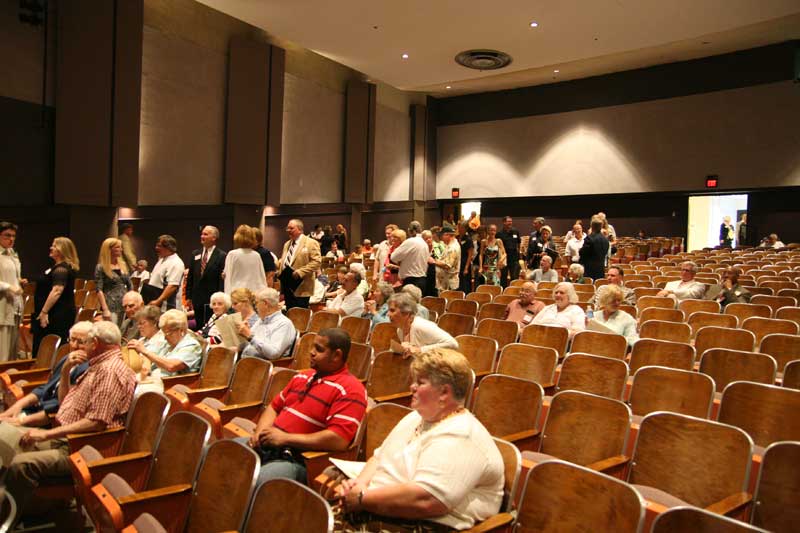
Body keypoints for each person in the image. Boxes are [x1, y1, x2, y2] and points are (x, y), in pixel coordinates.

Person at [334, 348, 503, 531]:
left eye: (420, 382)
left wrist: (361, 498)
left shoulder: (462, 435)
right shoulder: (417, 417)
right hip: (384, 502)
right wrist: (359, 485)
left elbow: (426, 500)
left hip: (424, 522)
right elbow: (379, 457)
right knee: (329, 485)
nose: (411, 387)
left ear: (444, 393)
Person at [3, 321, 135, 515]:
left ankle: (7, 518)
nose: (77, 346)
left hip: (81, 448)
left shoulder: (109, 371)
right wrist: (65, 371)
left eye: (85, 341)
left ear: (95, 342)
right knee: (5, 438)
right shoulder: (96, 364)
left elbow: (96, 423)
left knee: (20, 464)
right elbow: (64, 402)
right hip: (66, 438)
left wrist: (46, 435)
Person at [243, 328, 367, 484]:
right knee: (223, 453)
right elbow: (274, 407)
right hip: (269, 445)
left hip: (299, 459)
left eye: (319, 349)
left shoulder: (351, 389)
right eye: (313, 346)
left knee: (262, 481)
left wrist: (285, 438)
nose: (311, 352)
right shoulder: (302, 376)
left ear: (337, 355)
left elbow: (338, 439)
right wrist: (259, 434)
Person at [0, 321, 91, 428]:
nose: (75, 346)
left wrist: (21, 420)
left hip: (50, 422)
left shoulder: (88, 369)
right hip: (36, 410)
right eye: (72, 340)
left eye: (80, 342)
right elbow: (45, 388)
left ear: (92, 343)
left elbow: (62, 405)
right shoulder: (67, 358)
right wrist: (18, 405)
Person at [31, 237, 79, 355]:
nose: (51, 248)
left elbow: (57, 290)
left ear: (62, 250)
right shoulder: (57, 267)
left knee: (50, 347)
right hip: (54, 312)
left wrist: (44, 312)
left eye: (54, 246)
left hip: (55, 314)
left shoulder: (61, 269)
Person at [130, 309, 201, 377]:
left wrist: (144, 351)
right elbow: (151, 357)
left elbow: (171, 366)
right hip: (154, 380)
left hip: (173, 385)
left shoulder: (191, 345)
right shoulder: (168, 344)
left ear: (181, 331)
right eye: (163, 333)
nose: (165, 337)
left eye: (167, 333)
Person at [388, 293, 457, 357]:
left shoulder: (422, 326)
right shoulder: (400, 330)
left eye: (392, 310)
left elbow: (452, 344)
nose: (388, 314)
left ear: (406, 313)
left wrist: (420, 350)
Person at [239, 288, 296, 360]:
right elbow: (248, 344)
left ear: (265, 304)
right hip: (246, 363)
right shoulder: (261, 320)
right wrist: (242, 334)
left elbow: (274, 353)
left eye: (256, 303)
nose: (255, 307)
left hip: (264, 367)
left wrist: (250, 336)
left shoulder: (284, 324)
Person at [186, 225, 226, 328]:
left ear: (214, 238)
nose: (202, 236)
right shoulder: (195, 254)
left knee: (211, 327)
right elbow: (190, 277)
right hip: (197, 299)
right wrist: (189, 297)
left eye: (205, 234)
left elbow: (221, 281)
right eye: (202, 234)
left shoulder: (222, 255)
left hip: (212, 300)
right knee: (199, 326)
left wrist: (220, 298)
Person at [278, 219, 322, 310]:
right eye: (287, 228)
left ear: (300, 230)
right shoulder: (287, 244)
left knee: (299, 316)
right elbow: (286, 260)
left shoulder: (311, 243)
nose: (288, 230)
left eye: (291, 228)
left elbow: (316, 262)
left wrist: (300, 272)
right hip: (287, 285)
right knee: (289, 312)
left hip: (302, 286)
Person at [127, 305, 168, 394]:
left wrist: (140, 350)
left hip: (152, 379)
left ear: (154, 323)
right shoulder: (142, 340)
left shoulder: (162, 340)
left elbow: (148, 367)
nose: (139, 327)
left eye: (142, 323)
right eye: (138, 324)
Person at [94, 237, 131, 325]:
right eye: (118, 247)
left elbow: (130, 284)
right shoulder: (101, 267)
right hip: (110, 305)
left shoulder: (123, 265)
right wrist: (105, 309)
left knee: (122, 331)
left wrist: (130, 301)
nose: (121, 250)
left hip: (124, 304)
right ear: (109, 249)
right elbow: (99, 290)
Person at [142, 234, 184, 311]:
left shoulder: (176, 263)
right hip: (156, 304)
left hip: (167, 307)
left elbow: (172, 286)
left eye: (159, 246)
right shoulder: (161, 260)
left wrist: (158, 301)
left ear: (168, 248)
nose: (156, 248)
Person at [0, 221, 23, 361]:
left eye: (13, 236)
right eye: (7, 235)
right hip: (2, 306)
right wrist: (9, 287)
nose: (11, 239)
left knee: (12, 351)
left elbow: (12, 276)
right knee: (2, 350)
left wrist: (19, 281)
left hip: (14, 305)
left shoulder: (12, 254)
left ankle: (9, 380)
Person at [223, 225, 266, 295]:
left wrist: (227, 295)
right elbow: (261, 278)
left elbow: (227, 278)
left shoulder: (232, 254)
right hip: (253, 293)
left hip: (236, 294)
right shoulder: (256, 255)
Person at [390, 221, 430, 292]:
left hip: (412, 281)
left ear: (410, 231)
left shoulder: (410, 242)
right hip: (422, 280)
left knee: (409, 302)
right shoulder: (424, 243)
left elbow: (394, 257)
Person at [579, 217, 610, 282]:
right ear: (601, 226)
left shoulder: (589, 238)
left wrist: (580, 250)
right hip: (601, 269)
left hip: (589, 270)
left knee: (588, 288)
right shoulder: (605, 240)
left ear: (592, 226)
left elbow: (583, 253)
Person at [434, 226, 460, 292]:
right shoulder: (449, 245)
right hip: (444, 283)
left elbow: (447, 265)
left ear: (447, 235)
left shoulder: (452, 248)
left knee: (447, 302)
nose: (441, 237)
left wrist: (434, 261)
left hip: (448, 284)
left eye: (441, 235)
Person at [497, 216, 521, 287]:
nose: (510, 223)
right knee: (503, 277)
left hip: (514, 258)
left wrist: (518, 254)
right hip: (504, 258)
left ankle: (513, 291)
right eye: (508, 221)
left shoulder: (515, 231)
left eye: (511, 221)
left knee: (514, 277)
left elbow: (518, 243)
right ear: (504, 222)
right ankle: (503, 292)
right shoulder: (499, 234)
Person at [457, 222, 475, 294]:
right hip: (458, 263)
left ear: (465, 229)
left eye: (461, 228)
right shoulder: (456, 238)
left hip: (465, 263)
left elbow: (470, 255)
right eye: (459, 227)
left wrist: (466, 268)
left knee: (465, 283)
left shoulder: (468, 239)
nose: (459, 229)